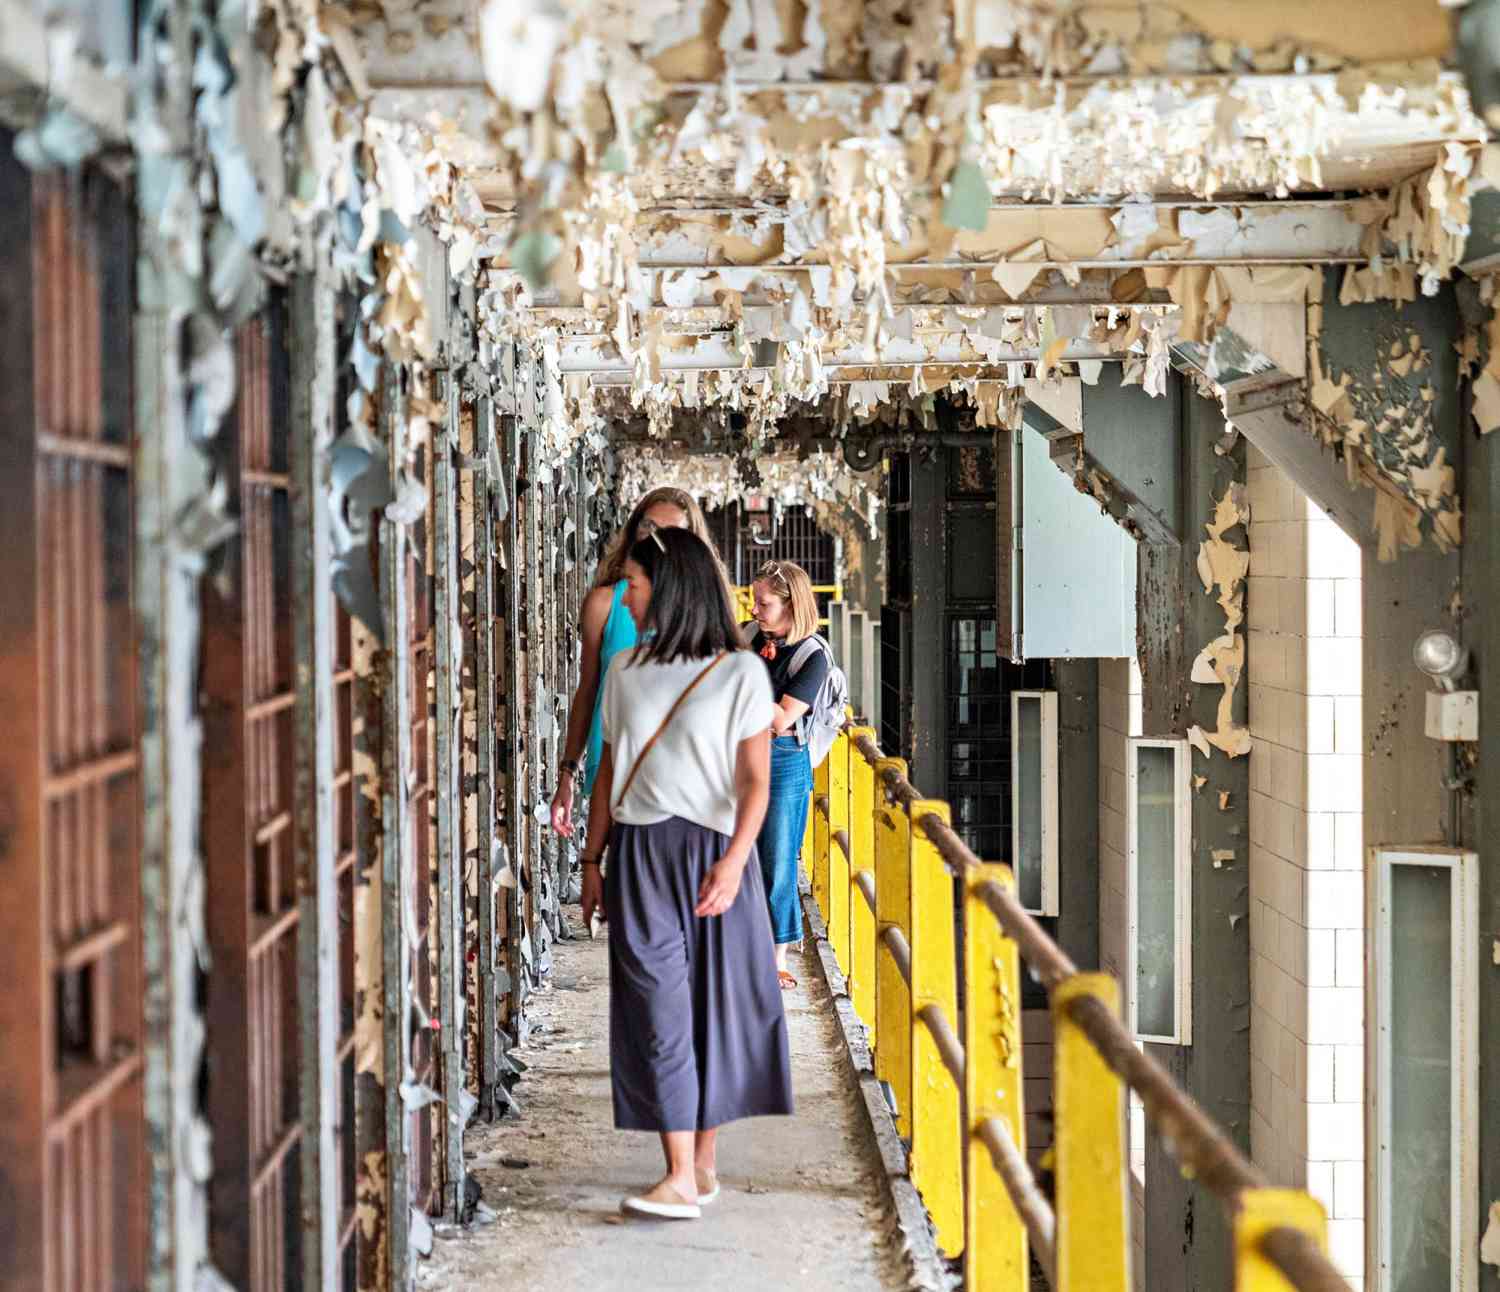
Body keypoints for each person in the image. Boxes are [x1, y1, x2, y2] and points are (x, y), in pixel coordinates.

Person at [580, 527, 793, 1221]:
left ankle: (699, 1165)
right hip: (639, 853)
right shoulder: (625, 670)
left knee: (715, 1006)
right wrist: (590, 860)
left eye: (633, 585)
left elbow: (756, 782)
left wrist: (737, 862)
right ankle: (676, 1172)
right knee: (656, 1005)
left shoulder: (740, 673)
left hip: (714, 853)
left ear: (667, 587)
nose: (624, 598)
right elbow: (611, 767)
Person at [550, 487, 716, 837]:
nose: (656, 541)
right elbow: (588, 689)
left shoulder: (706, 609)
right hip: (613, 766)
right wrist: (567, 773)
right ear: (634, 531)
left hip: (686, 774)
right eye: (648, 528)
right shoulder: (605, 604)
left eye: (671, 533)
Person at [745, 559, 827, 989]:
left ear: (791, 604)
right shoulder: (746, 636)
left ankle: (776, 957)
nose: (756, 609)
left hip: (782, 758)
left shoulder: (813, 656)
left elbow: (781, 719)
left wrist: (737, 681)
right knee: (733, 851)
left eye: (764, 603)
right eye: (754, 600)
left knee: (777, 857)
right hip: (738, 751)